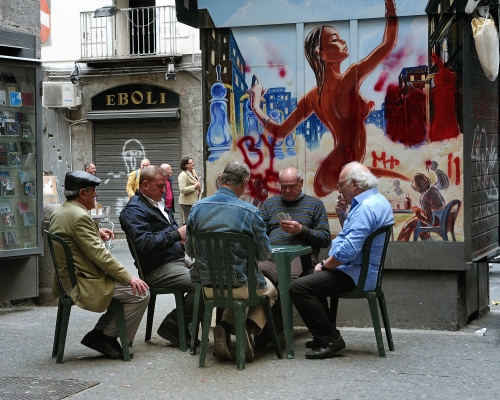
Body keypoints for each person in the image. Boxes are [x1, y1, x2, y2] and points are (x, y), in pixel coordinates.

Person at [247, 0, 405, 197]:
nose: (343, 41)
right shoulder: (350, 77)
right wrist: (391, 8)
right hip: (340, 169)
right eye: (334, 40)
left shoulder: (314, 97)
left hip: (334, 171)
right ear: (321, 54)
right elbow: (389, 43)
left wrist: (255, 106)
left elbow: (280, 132)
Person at [289, 162, 394, 359]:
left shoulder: (365, 208)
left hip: (356, 274)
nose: (338, 189)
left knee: (299, 287)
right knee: (308, 277)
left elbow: (348, 251)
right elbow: (357, 236)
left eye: (340, 184)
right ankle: (323, 335)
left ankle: (331, 340)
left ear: (354, 184)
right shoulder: (376, 201)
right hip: (362, 270)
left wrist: (324, 265)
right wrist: (343, 215)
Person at [49, 171, 150, 359]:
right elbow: (100, 255)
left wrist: (96, 232)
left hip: (68, 278)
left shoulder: (63, 210)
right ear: (82, 193)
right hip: (82, 282)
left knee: (129, 292)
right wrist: (128, 277)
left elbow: (76, 236)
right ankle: (106, 337)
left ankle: (99, 335)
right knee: (140, 293)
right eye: (93, 191)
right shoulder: (79, 216)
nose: (96, 195)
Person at [186, 161, 277, 362]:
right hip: (240, 285)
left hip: (207, 287)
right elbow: (264, 255)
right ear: (245, 183)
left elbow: (190, 251)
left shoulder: (197, 208)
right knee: (271, 292)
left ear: (221, 179)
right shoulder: (250, 212)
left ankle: (226, 326)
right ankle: (244, 328)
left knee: (234, 293)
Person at [120, 165, 199, 348]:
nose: (164, 190)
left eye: (165, 185)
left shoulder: (157, 203)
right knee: (202, 283)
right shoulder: (134, 211)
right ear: (145, 185)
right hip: (158, 268)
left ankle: (189, 325)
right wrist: (176, 235)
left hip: (177, 260)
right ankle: (173, 326)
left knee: (216, 276)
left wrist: (181, 240)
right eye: (160, 186)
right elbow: (146, 244)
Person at [254, 166, 331, 348]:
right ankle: (255, 327)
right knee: (257, 276)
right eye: (284, 187)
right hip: (271, 257)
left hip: (301, 257)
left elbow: (325, 239)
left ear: (301, 183)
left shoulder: (315, 205)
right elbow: (258, 234)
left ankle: (269, 332)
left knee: (287, 280)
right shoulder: (269, 205)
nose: (287, 191)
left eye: (292, 186)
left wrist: (301, 230)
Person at [397, 173, 446, 241]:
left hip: (436, 222)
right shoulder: (433, 190)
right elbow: (433, 211)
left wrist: (418, 212)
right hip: (442, 219)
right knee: (416, 221)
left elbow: (430, 221)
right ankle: (427, 240)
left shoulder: (424, 197)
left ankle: (401, 243)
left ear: (417, 188)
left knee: (410, 224)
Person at [178, 156, 201, 224]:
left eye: (193, 162)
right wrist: (194, 186)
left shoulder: (193, 172)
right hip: (187, 202)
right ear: (186, 165)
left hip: (194, 201)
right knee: (188, 220)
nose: (193, 164)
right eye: (191, 163)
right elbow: (182, 190)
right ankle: (187, 230)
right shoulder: (183, 175)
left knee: (193, 220)